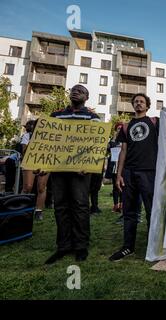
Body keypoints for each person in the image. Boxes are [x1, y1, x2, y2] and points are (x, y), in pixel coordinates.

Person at [44, 85, 100, 264]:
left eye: (81, 91)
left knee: (81, 206)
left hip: (81, 170)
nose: (76, 92)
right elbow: (47, 142)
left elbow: (97, 145)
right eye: (74, 90)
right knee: (60, 206)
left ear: (86, 97)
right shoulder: (55, 115)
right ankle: (63, 246)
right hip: (59, 170)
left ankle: (81, 246)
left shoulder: (93, 117)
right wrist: (42, 164)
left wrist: (89, 165)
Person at [109, 93, 159, 261]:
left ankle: (154, 247)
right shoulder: (125, 126)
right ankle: (127, 246)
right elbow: (123, 151)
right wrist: (119, 175)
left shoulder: (154, 122)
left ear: (147, 105)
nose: (138, 104)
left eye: (142, 101)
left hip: (149, 172)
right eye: (136, 101)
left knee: (152, 210)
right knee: (129, 212)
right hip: (129, 173)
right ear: (133, 105)